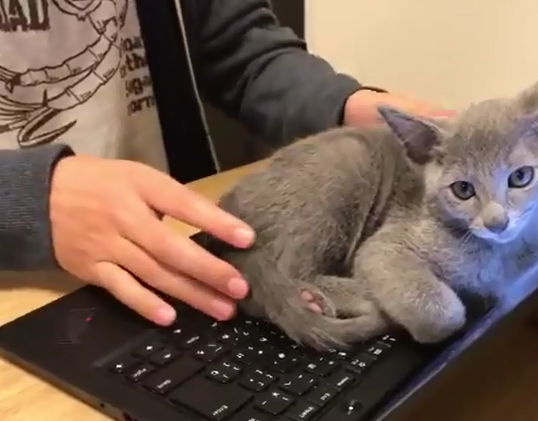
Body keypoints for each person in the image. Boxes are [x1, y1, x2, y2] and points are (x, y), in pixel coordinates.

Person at [0, 0, 450, 326]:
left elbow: (241, 49)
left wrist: (345, 104)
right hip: (20, 289)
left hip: (173, 250)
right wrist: (25, 198)